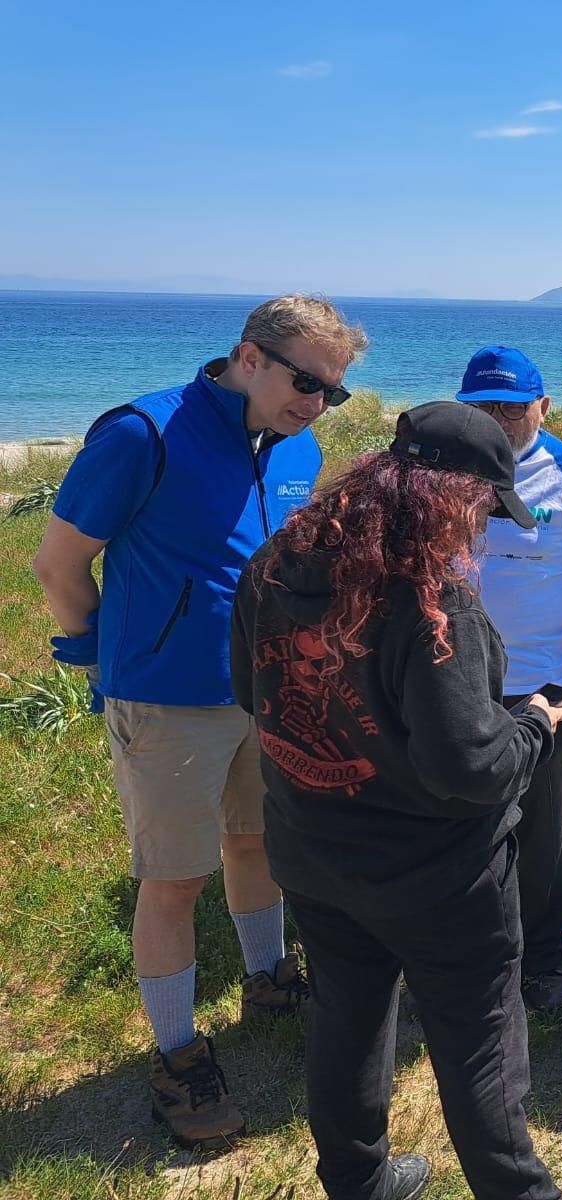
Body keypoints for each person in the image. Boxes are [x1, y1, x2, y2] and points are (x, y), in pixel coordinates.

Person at [32, 294, 366, 1148]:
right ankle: (178, 1056)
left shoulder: (296, 444)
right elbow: (60, 560)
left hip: (264, 693)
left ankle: (268, 979)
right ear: (247, 357)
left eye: (333, 391)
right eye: (305, 380)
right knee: (174, 882)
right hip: (169, 702)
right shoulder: (144, 433)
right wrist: (97, 652)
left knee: (256, 845)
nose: (316, 402)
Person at [231, 402, 562, 1200]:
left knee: (346, 1020)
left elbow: (251, 689)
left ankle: (357, 1183)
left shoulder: (275, 564)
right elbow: (471, 766)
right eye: (484, 508)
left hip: (312, 853)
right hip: (440, 878)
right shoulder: (431, 601)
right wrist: (536, 724)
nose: (482, 530)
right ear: (450, 498)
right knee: (479, 1044)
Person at [454, 346, 562, 1013]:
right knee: (460, 826)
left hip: (543, 687)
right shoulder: (445, 471)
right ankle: (470, 952)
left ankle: (544, 960)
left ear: (543, 406)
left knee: (545, 836)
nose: (498, 419)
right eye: (484, 407)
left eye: (512, 406)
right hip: (455, 685)